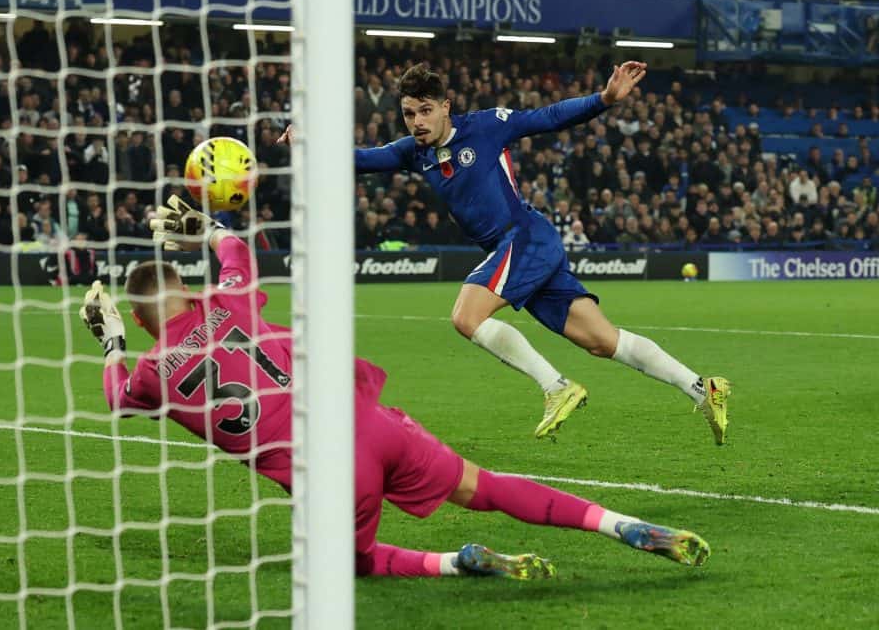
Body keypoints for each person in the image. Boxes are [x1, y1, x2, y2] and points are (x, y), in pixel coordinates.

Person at [78, 192, 711, 580]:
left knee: (350, 563)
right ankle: (618, 523)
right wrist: (205, 228)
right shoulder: (230, 300)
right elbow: (237, 245)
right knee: (483, 486)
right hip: (372, 423)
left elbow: (115, 397)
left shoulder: (148, 374)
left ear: (139, 319)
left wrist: (109, 338)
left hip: (331, 473)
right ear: (186, 290)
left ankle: (453, 564)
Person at [281, 63, 731, 444]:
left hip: (525, 237)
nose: (416, 122)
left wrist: (604, 99)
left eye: (425, 111)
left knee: (465, 316)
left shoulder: (486, 126)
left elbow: (548, 117)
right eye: (408, 114)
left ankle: (556, 386)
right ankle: (702, 388)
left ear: (445, 108)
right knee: (602, 341)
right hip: (520, 248)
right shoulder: (412, 154)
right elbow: (359, 158)